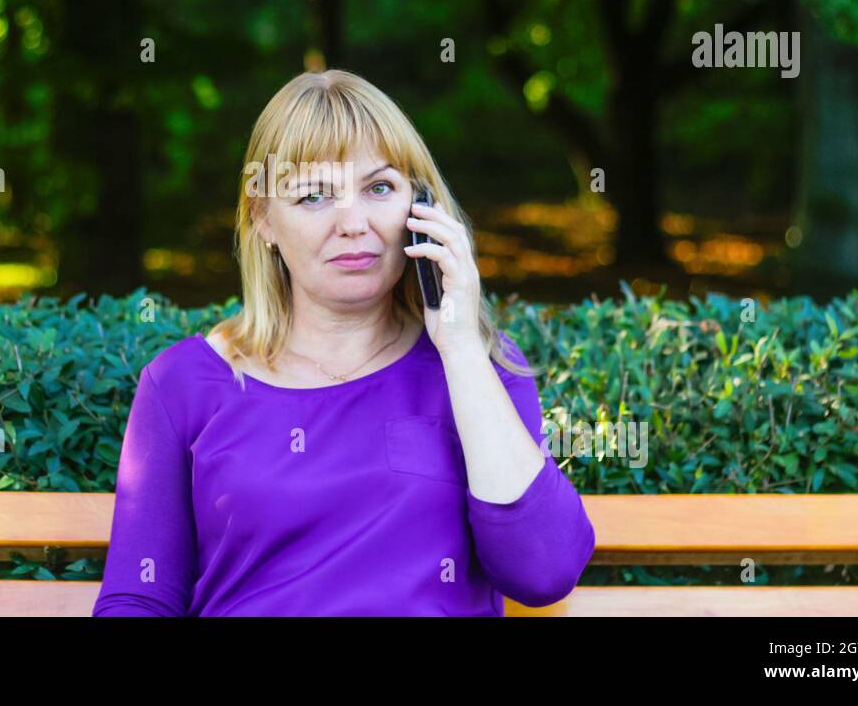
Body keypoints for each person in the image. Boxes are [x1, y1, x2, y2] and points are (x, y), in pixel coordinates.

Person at [92, 68, 595, 616]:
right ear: (263, 219)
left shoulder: (479, 370)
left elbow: (544, 571)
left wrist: (460, 347)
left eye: (379, 188)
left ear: (421, 209)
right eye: (314, 196)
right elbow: (138, 598)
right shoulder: (183, 384)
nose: (352, 222)